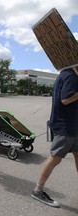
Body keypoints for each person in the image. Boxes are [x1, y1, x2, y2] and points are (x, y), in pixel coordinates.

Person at [31, 66, 78, 208]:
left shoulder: (67, 74)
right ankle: (37, 190)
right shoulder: (71, 76)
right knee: (55, 158)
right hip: (65, 126)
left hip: (73, 125)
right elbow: (65, 99)